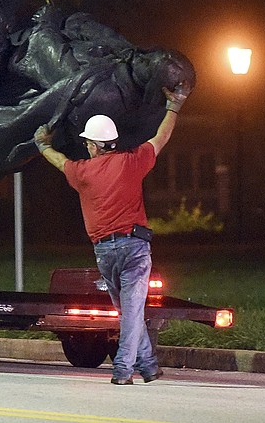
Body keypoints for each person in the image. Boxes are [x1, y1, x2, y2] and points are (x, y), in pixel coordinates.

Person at [34, 83, 190, 385]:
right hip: (134, 248)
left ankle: (143, 367)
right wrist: (175, 107)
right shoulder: (132, 161)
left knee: (129, 310)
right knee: (131, 312)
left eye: (88, 144)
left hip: (104, 253)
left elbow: (59, 161)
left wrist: (43, 146)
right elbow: (161, 137)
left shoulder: (83, 173)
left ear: (94, 145)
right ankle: (126, 368)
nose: (87, 149)